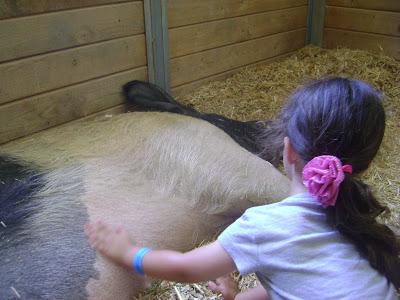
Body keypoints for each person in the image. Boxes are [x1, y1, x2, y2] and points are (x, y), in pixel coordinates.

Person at [85, 77, 400, 299]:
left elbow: (185, 269)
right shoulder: (355, 220)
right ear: (365, 165)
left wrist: (130, 254)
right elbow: (304, 278)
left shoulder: (264, 225)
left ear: (287, 151)